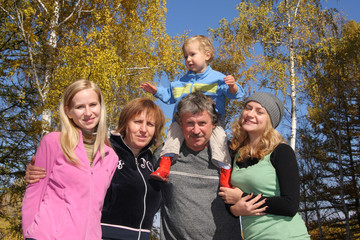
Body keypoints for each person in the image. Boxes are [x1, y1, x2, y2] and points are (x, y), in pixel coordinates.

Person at [25, 98, 166, 240]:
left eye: (150, 124)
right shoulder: (105, 151)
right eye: (137, 122)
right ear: (125, 124)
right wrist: (38, 170)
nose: (143, 130)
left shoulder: (153, 161)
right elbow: (66, 175)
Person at [141, 35, 245, 188]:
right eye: (185, 56)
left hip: (212, 122)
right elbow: (169, 96)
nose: (188, 59)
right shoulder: (181, 81)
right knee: (173, 135)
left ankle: (225, 175)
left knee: (220, 141)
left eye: (192, 54)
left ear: (207, 55)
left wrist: (232, 86)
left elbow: (236, 94)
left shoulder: (217, 79)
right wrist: (156, 91)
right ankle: (164, 166)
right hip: (182, 121)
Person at [22, 80, 119, 240]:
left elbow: (97, 206)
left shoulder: (111, 157)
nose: (88, 113)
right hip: (47, 235)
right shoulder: (53, 142)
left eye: (93, 104)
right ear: (68, 112)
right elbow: (35, 191)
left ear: (101, 107)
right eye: (80, 107)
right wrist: (29, 234)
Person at [218, 92, 310, 239]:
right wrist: (236, 210)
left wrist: (242, 196)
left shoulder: (281, 152)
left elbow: (290, 205)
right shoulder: (235, 154)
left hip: (287, 236)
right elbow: (230, 199)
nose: (250, 114)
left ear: (270, 121)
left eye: (259, 111)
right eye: (248, 108)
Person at [154, 90, 243, 239]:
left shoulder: (232, 155)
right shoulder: (162, 155)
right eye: (190, 123)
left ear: (214, 124)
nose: (196, 131)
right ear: (180, 125)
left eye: (202, 123)